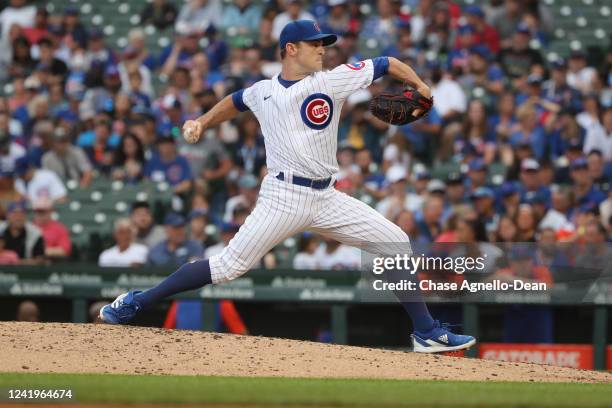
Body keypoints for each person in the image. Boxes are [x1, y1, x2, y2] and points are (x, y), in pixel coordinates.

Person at [100, 20, 475, 353]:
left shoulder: (332, 79)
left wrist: (421, 85)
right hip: (283, 196)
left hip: (327, 196)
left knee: (395, 241)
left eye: (323, 43)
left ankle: (426, 332)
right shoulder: (263, 91)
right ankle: (136, 301)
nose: (322, 49)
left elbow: (387, 63)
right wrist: (201, 121)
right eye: (315, 44)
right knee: (229, 266)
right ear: (290, 50)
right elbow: (234, 102)